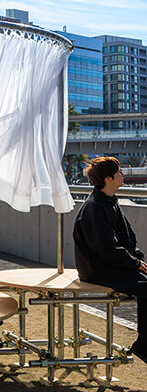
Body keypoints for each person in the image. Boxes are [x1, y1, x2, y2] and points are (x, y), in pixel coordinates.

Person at [73, 156, 146, 364]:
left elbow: (128, 239)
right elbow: (107, 248)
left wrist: (139, 260)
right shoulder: (95, 207)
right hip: (96, 270)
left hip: (110, 264)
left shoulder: (110, 201)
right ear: (108, 178)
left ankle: (144, 344)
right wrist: (134, 263)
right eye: (119, 172)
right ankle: (144, 346)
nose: (123, 175)